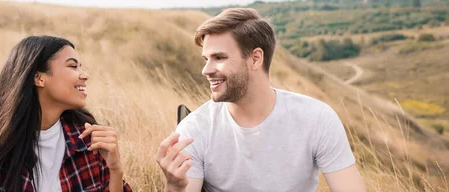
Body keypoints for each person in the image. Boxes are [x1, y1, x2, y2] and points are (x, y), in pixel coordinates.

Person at [156, 8, 366, 192]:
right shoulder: (193, 130)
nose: (206, 70)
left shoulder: (317, 119)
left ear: (255, 58)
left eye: (219, 58)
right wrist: (174, 187)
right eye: (206, 59)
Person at [0, 36, 132, 192]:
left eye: (81, 67)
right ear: (38, 78)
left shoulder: (87, 138)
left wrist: (115, 170)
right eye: (73, 66)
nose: (84, 75)